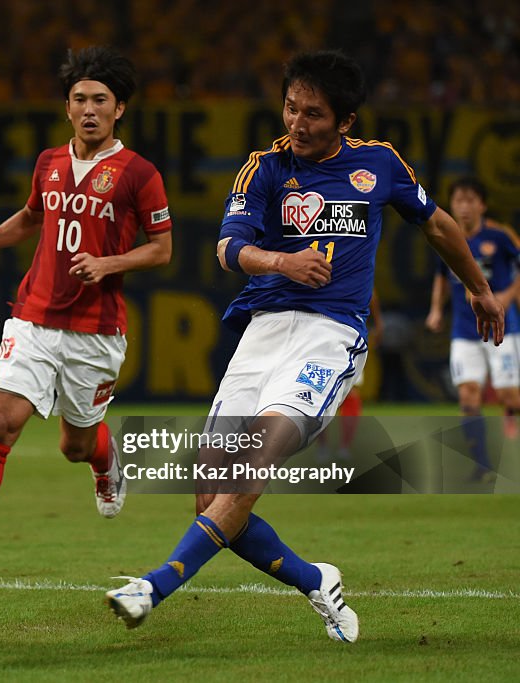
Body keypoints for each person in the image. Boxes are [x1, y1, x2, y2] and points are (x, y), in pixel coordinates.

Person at [105, 50, 504, 643]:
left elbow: (439, 224)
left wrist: (478, 287)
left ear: (344, 121)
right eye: (291, 107)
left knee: (252, 467)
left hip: (330, 336)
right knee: (210, 495)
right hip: (263, 331)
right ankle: (316, 579)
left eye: (313, 113)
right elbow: (227, 247)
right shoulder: (262, 168)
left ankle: (153, 585)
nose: (297, 122)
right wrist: (279, 261)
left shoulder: (379, 165)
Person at [0, 46, 172, 585]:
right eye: (80, 99)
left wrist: (110, 262)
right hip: (34, 320)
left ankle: (103, 459)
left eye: (101, 100)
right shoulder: (48, 162)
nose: (90, 109)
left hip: (96, 333)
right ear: (67, 108)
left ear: (120, 110)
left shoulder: (139, 173)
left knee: (75, 445)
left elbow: (162, 249)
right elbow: (29, 217)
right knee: (0, 419)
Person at [425, 177, 520, 480]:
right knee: (467, 395)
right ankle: (482, 463)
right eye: (458, 200)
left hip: (503, 328)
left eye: (470, 200)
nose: (464, 207)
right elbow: (441, 276)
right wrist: (436, 309)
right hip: (464, 331)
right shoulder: (447, 238)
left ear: (482, 204)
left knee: (510, 396)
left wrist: (508, 295)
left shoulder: (500, 237)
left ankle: (510, 418)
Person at [315, 290, 383, 460]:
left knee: (350, 394)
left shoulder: (353, 269)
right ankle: (323, 447)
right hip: (319, 333)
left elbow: (371, 293)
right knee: (317, 392)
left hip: (347, 333)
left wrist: (379, 322)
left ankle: (344, 448)